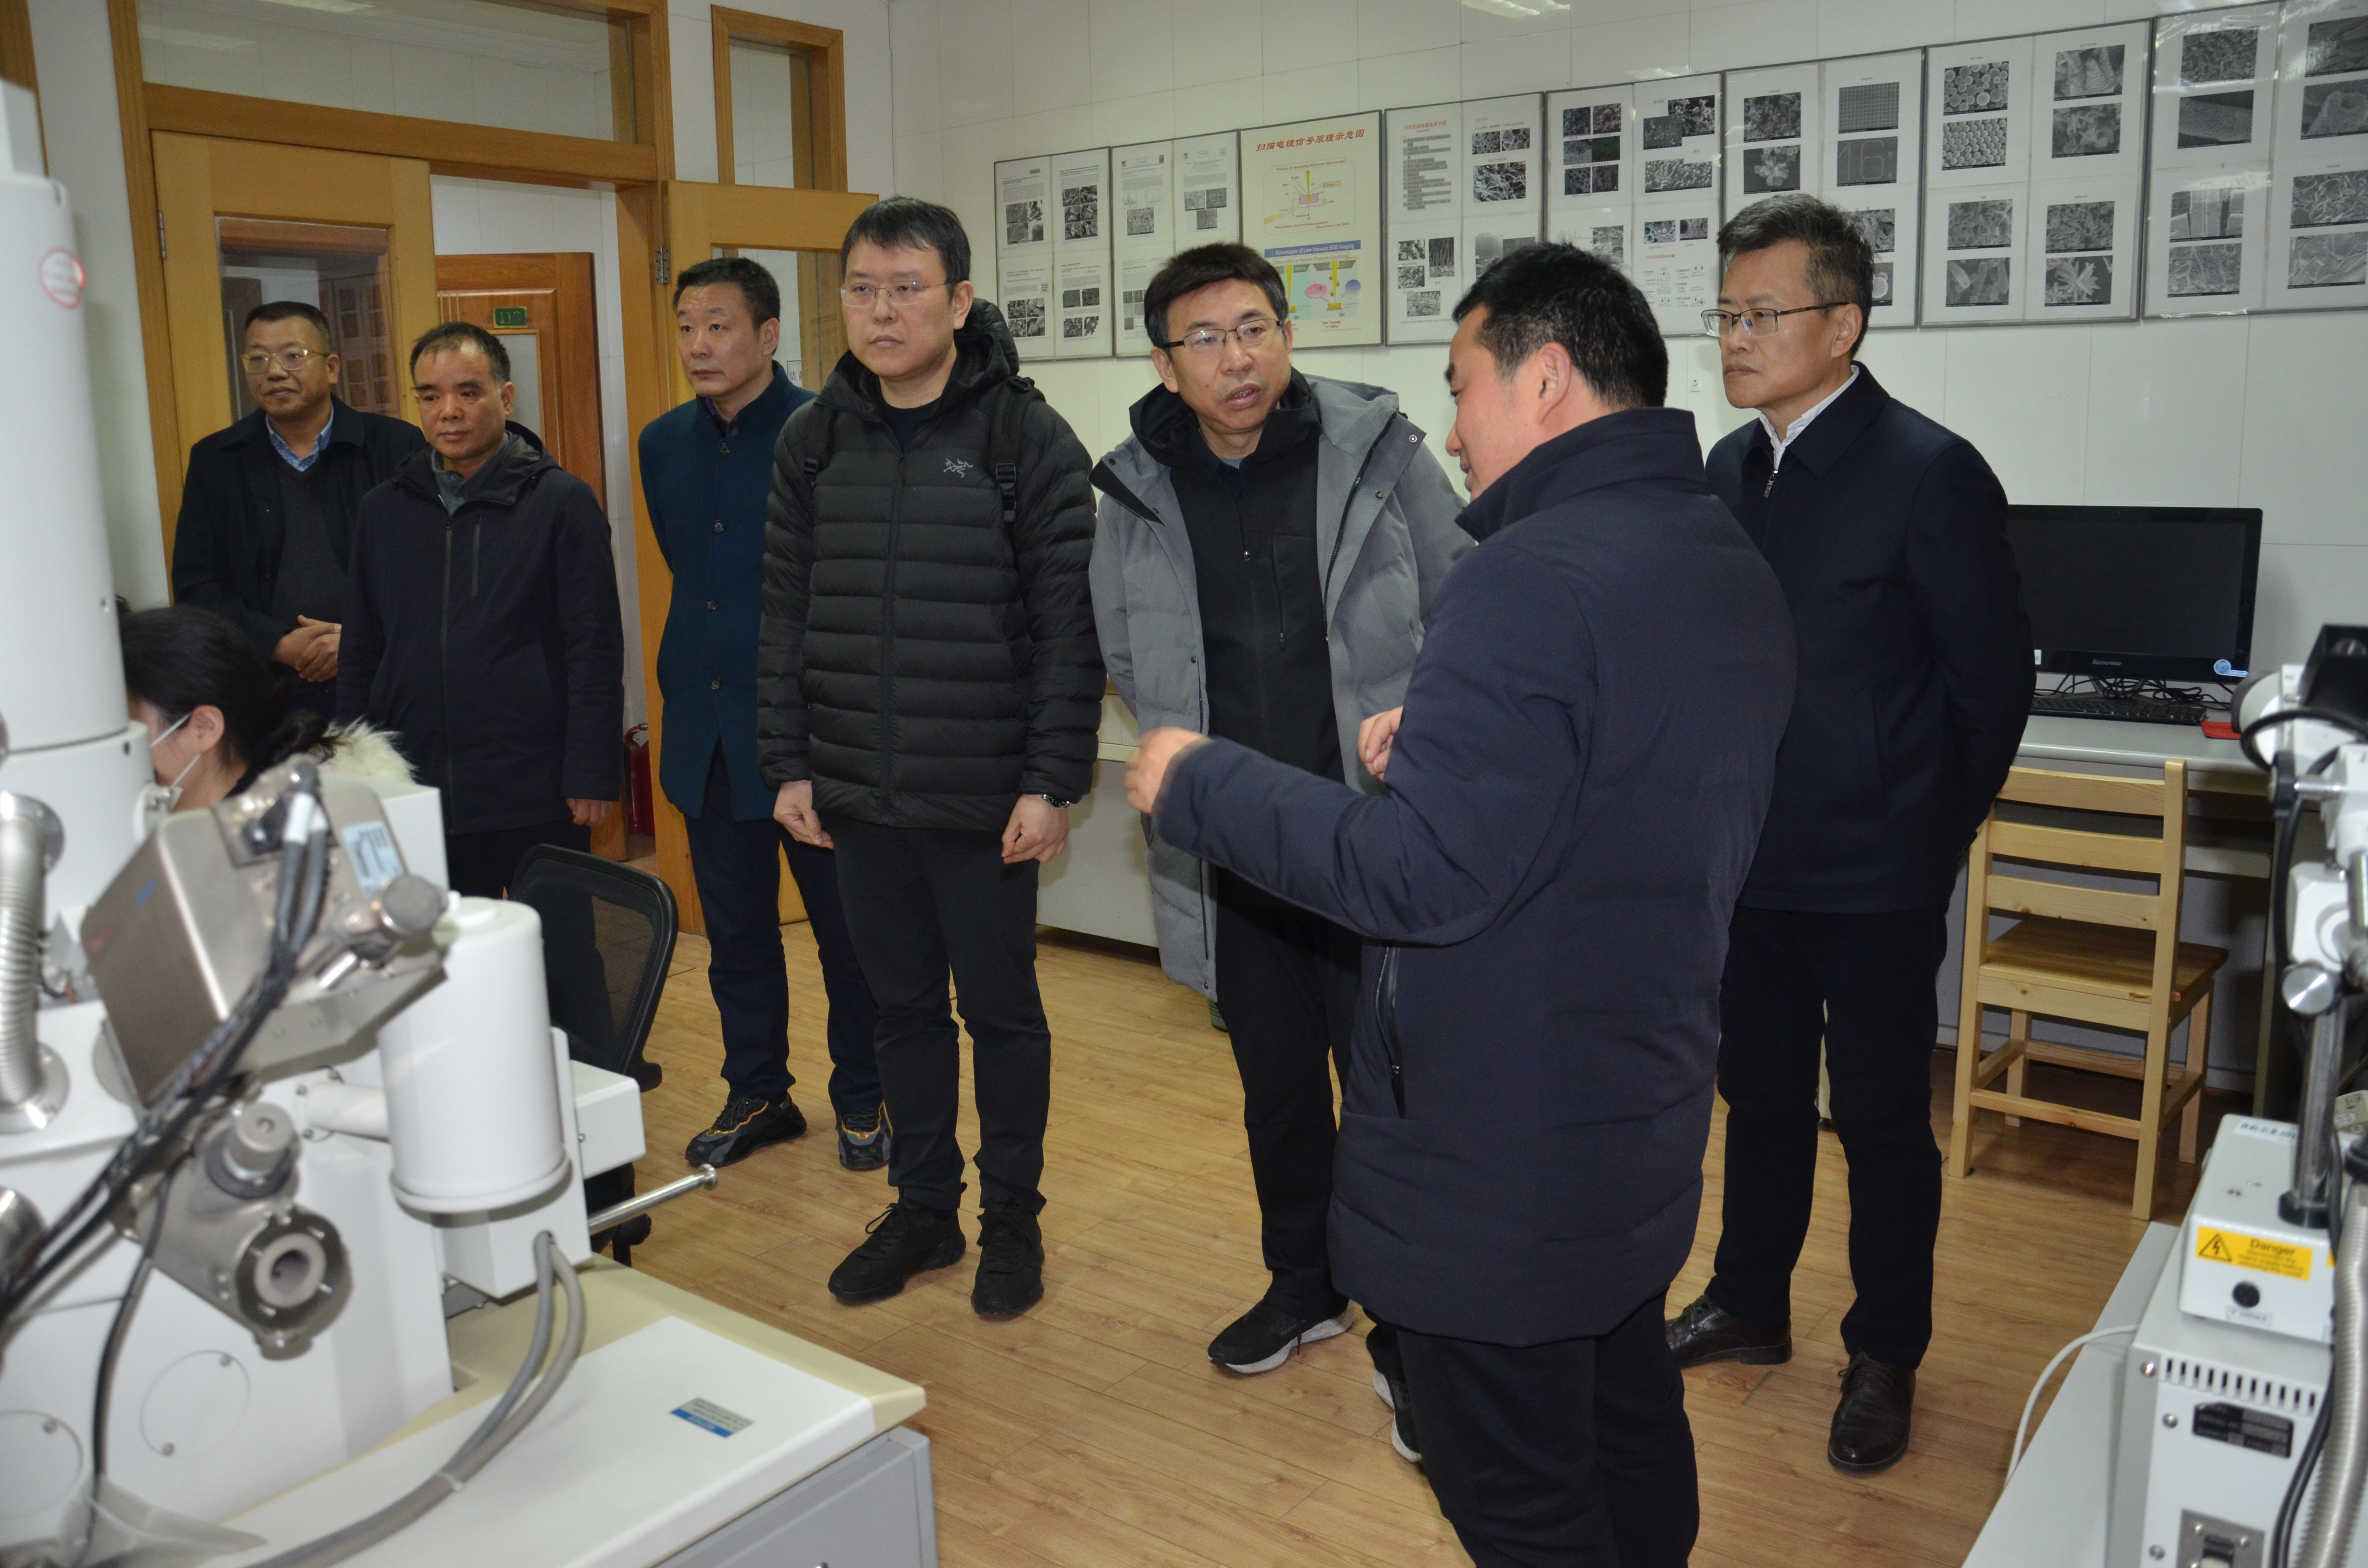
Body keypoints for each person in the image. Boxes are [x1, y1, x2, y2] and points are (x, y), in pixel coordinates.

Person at [1124, 244, 1796, 1567]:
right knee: (1625, 1420)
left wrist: (1203, 782)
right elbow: (1610, 787)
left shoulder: (1526, 575)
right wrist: (1437, 746)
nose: (1451, 428)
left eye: (1461, 385)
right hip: (1633, 1108)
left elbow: (1421, 875)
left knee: (1520, 1495)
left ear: (1543, 380)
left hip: (1502, 1158)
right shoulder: (1716, 547)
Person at [1664, 195, 2033, 1475]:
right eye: (1726, 314)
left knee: (1878, 1119)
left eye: (1763, 314)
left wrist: (1929, 834)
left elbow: (1993, 686)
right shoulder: (1725, 470)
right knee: (1758, 1097)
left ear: (1844, 324)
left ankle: (1885, 1351)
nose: (1737, 336)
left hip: (1877, 873)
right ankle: (1750, 1301)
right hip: (1747, 866)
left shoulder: (1929, 471)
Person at [1087, 242, 1467, 1375]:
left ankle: (1411, 1319)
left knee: (1392, 1091)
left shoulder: (1378, 451)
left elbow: (1464, 596)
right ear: (1166, 366)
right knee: (1278, 1090)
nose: (1236, 358)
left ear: (1288, 334)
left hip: (1369, 833)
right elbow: (1123, 649)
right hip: (1241, 849)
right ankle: (1304, 1285)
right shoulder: (1135, 487)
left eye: (1254, 328)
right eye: (1204, 340)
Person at [758, 198, 1101, 1320]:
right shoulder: (813, 441)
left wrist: (1051, 781)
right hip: (860, 790)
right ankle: (922, 1210)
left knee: (1001, 1016)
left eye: (907, 288)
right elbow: (785, 612)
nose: (882, 310)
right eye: (863, 289)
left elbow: (1068, 628)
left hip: (984, 797)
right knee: (899, 1011)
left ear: (959, 301)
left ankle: (1011, 1223)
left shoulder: (1024, 439)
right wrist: (789, 763)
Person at [639, 256, 885, 1173]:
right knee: (736, 934)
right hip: (705, 729)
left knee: (847, 937)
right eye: (686, 327)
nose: (698, 345)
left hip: (815, 736)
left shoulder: (830, 432)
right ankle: (758, 1091)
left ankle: (863, 1095)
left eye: (719, 325)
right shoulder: (661, 443)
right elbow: (694, 575)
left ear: (768, 334)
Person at [338, 320, 625, 899]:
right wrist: (350, 769)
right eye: (430, 396)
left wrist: (592, 772)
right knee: (444, 943)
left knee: (557, 943)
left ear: (506, 397)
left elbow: (594, 648)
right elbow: (361, 650)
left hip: (534, 787)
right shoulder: (382, 510)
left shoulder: (561, 503)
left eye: (468, 392)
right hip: (414, 784)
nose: (448, 411)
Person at [172, 301, 426, 714]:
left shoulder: (395, 445)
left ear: (332, 367)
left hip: (384, 684)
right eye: (258, 359)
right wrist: (278, 642)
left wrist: (358, 640)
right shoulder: (217, 460)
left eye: (293, 356)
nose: (274, 372)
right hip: (267, 692)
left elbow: (426, 571)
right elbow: (196, 586)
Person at [123, 603, 413, 812]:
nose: (118, 749)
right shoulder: (151, 833)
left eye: (131, 728)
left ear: (204, 728)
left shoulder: (309, 830)